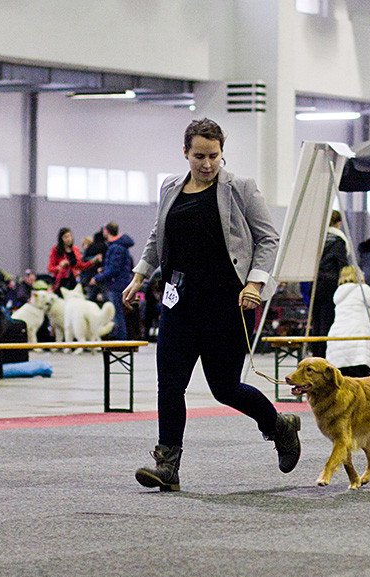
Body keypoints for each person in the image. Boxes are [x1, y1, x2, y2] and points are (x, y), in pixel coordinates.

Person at [121, 118, 301, 491]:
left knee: (225, 388)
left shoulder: (241, 189)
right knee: (169, 385)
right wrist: (140, 276)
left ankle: (278, 426)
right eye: (199, 156)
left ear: (222, 153)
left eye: (214, 156)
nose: (206, 163)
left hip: (227, 304)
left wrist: (255, 283)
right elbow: (159, 236)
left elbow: (269, 239)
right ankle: (167, 465)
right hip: (179, 301)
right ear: (185, 152)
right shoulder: (170, 187)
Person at [308, 210, 350, 357]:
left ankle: (315, 356)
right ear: (338, 223)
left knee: (316, 322)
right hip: (330, 285)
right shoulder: (338, 241)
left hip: (314, 284)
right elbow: (342, 264)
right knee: (327, 323)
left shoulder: (316, 239)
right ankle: (324, 358)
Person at [93, 221, 135, 339]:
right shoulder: (118, 246)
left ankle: (120, 342)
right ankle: (119, 340)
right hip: (118, 284)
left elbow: (114, 269)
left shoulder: (116, 247)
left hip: (116, 285)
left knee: (116, 314)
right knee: (117, 314)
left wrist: (97, 278)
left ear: (107, 231)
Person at [48, 227, 95, 293]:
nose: (69, 239)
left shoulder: (76, 249)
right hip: (60, 281)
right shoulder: (55, 250)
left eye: (70, 236)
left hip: (73, 280)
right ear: (61, 239)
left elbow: (80, 266)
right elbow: (50, 268)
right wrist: (60, 267)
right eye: (66, 237)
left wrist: (92, 262)